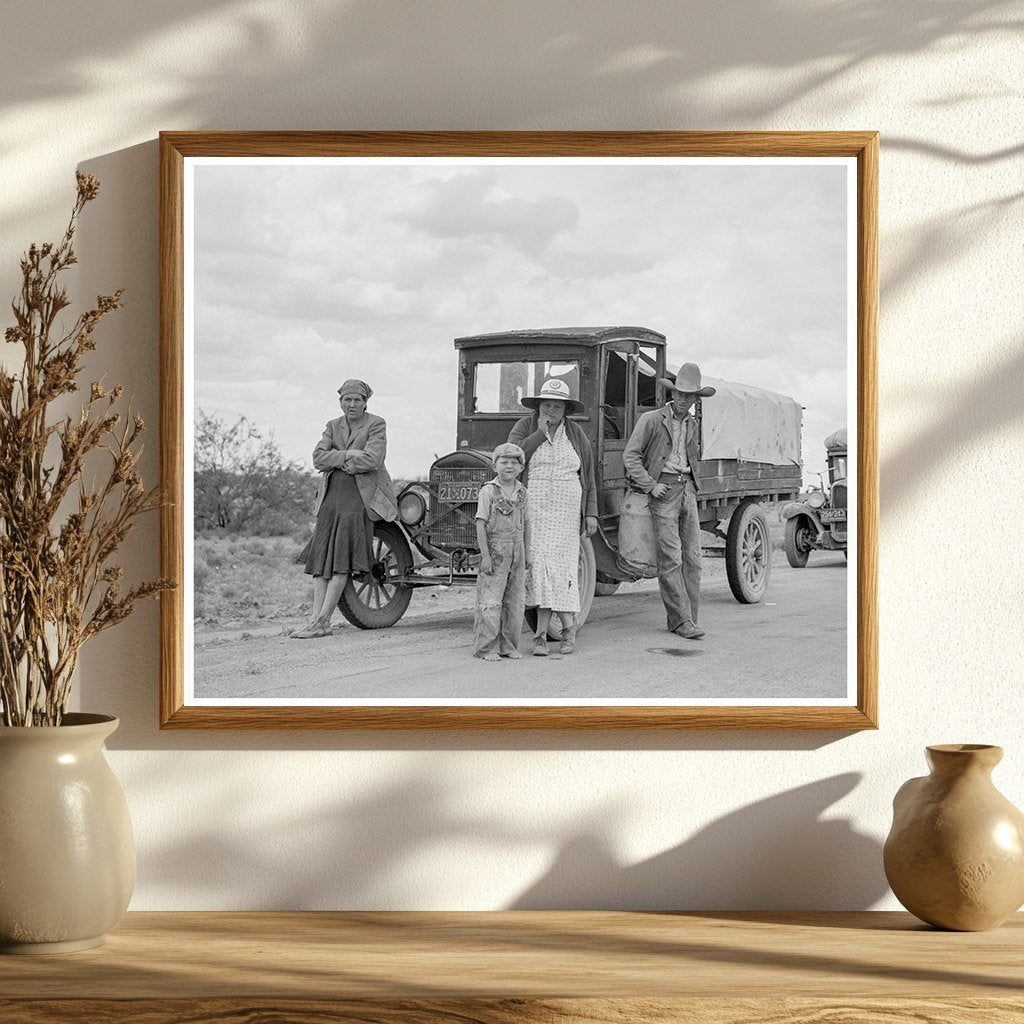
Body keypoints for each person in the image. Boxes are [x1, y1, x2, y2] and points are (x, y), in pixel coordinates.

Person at [291, 378, 398, 639]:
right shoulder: (332, 425)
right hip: (331, 499)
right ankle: (315, 620)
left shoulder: (376, 424)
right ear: (340, 402)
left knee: (341, 563)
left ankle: (323, 620)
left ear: (365, 403)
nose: (352, 404)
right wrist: (350, 455)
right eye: (347, 400)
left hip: (359, 498)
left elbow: (373, 459)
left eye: (357, 400)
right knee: (321, 562)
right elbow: (318, 458)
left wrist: (337, 457)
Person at [622, 362, 715, 641]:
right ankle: (681, 621)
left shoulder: (692, 423)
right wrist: (651, 485)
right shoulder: (651, 420)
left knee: (693, 559)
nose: (686, 400)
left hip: (687, 490)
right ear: (672, 394)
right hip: (663, 493)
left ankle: (689, 618)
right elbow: (631, 456)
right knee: (671, 559)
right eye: (682, 394)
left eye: (691, 396)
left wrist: (694, 487)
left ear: (696, 398)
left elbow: (691, 459)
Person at [508, 377, 598, 656]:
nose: (550, 411)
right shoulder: (525, 427)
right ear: (538, 407)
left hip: (567, 510)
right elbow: (512, 458)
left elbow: (589, 476)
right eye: (546, 405)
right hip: (535, 510)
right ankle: (541, 635)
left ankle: (567, 631)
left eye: (556, 407)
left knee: (564, 570)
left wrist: (591, 514)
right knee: (538, 566)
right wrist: (538, 433)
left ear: (565, 410)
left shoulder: (576, 434)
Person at [474, 443, 532, 661]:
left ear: (521, 467)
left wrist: (527, 553)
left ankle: (508, 646)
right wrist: (486, 557)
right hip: (496, 552)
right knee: (491, 601)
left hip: (517, 553)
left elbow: (526, 524)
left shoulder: (523, 493)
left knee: (515, 602)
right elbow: (481, 524)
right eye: (504, 462)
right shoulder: (488, 491)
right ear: (494, 465)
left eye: (514, 463)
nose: (509, 466)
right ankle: (487, 648)